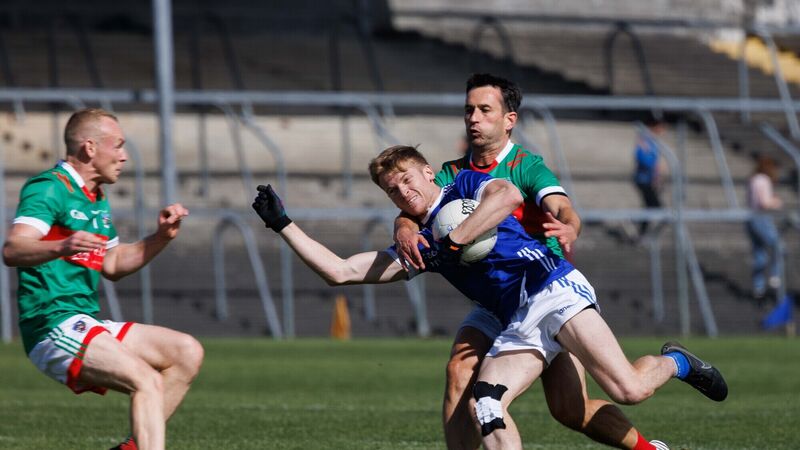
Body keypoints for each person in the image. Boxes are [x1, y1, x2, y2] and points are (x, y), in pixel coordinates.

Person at [252, 145, 726, 449]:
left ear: (427, 171)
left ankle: (679, 363)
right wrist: (283, 225)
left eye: (408, 179)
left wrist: (454, 239)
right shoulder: (420, 245)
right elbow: (341, 271)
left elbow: (505, 197)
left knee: (628, 389)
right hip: (516, 319)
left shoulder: (465, 185)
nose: (404, 191)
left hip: (554, 289)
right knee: (488, 402)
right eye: (393, 191)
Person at [393, 73, 660, 450]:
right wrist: (402, 226)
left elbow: (563, 208)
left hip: (541, 288)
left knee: (571, 410)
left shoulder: (526, 166)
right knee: (459, 372)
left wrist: (570, 226)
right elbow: (416, 203)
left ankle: (650, 444)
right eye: (469, 109)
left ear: (509, 120)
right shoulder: (452, 173)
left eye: (485, 109)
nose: (473, 117)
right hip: (493, 301)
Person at [2, 109, 204, 450]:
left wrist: (161, 238)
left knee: (186, 351)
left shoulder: (95, 197)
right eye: (118, 146)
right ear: (90, 148)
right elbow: (13, 249)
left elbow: (112, 263)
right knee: (146, 381)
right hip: (52, 325)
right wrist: (62, 245)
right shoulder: (50, 188)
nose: (124, 156)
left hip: (83, 320)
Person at [746, 154, 785, 301]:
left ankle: (759, 288)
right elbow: (764, 203)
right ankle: (775, 276)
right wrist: (776, 202)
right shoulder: (763, 180)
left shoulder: (753, 179)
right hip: (760, 219)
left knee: (759, 255)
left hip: (750, 218)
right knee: (779, 247)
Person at [633, 117, 666, 237]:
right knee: (656, 208)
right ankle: (644, 233)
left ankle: (643, 233)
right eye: (661, 127)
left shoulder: (652, 141)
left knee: (649, 207)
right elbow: (640, 157)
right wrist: (653, 166)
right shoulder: (644, 141)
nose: (663, 130)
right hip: (643, 180)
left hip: (650, 180)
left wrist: (658, 176)